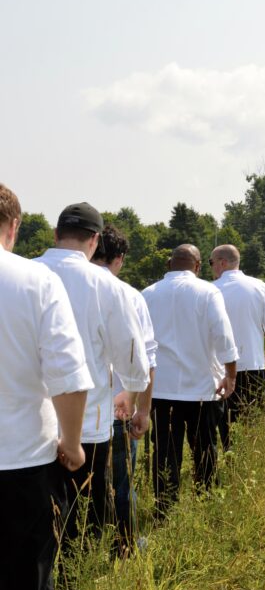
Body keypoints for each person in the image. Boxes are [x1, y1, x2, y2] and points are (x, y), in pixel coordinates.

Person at [0, 184, 92, 590]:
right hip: (24, 460)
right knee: (28, 589)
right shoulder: (35, 281)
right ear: (13, 226)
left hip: (24, 457)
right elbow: (69, 378)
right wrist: (74, 443)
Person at [37, 203, 150, 545]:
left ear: (55, 235)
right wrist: (130, 394)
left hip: (29, 425)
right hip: (87, 425)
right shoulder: (106, 286)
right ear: (94, 240)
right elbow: (133, 359)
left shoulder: (26, 273)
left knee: (37, 523)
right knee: (82, 520)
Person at [143, 244, 238, 519]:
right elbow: (223, 336)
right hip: (201, 389)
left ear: (169, 264)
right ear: (197, 266)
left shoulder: (148, 294)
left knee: (165, 454)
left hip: (161, 389)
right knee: (205, 450)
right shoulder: (208, 291)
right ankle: (206, 501)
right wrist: (230, 375)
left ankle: (165, 508)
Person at [92, 225, 157, 553]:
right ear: (118, 259)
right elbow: (146, 359)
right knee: (122, 481)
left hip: (68, 408)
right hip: (119, 406)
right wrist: (143, 409)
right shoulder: (129, 295)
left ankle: (83, 546)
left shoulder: (59, 286)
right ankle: (126, 543)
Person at [211, 243, 265, 447]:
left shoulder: (211, 290)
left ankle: (231, 457)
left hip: (221, 369)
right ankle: (256, 456)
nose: (211, 268)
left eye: (211, 263)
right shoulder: (258, 286)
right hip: (253, 364)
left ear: (222, 263)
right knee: (256, 419)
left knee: (225, 423)